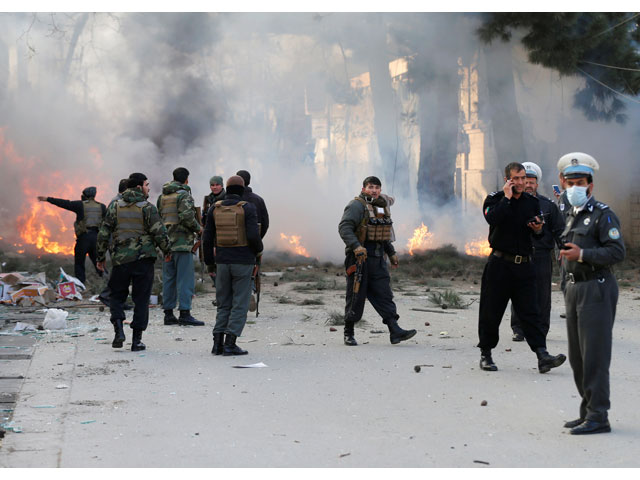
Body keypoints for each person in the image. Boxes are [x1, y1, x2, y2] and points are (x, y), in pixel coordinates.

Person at [557, 152, 625, 435]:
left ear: (590, 185)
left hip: (596, 289)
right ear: (563, 184)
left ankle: (599, 416)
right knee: (578, 357)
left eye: (581, 182)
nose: (575, 187)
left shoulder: (603, 214)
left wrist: (583, 253)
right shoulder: (570, 214)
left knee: (594, 355)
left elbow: (616, 251)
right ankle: (587, 410)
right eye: (570, 182)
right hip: (574, 288)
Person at [478, 162, 566, 373]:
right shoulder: (495, 199)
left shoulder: (531, 202)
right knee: (491, 311)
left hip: (525, 264)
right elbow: (493, 218)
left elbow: (538, 234)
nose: (521, 182)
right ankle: (486, 354)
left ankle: (542, 354)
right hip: (500, 264)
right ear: (507, 180)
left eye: (523, 178)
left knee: (531, 311)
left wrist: (537, 229)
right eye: (515, 178)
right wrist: (507, 199)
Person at [96, 173, 171, 351]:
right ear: (138, 187)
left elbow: (103, 234)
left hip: (121, 260)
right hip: (144, 260)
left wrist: (100, 258)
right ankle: (136, 341)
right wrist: (167, 251)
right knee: (141, 299)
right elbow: (159, 232)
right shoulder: (148, 208)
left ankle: (119, 330)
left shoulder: (114, 206)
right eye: (146, 185)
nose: (148, 188)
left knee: (116, 296)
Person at [338, 175, 416, 346]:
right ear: (364, 188)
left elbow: (383, 233)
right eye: (371, 187)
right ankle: (348, 333)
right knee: (356, 295)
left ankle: (394, 330)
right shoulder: (356, 206)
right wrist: (356, 247)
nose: (374, 190)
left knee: (384, 294)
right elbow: (344, 228)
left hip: (378, 258)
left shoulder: (381, 207)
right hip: (359, 258)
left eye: (377, 188)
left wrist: (392, 252)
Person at [202, 175, 263, 356]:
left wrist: (209, 263)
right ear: (242, 190)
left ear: (227, 189)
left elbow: (207, 238)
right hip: (243, 261)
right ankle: (230, 344)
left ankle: (217, 344)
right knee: (240, 304)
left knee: (223, 304)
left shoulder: (215, 208)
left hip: (222, 262)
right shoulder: (248, 208)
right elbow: (253, 236)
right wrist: (258, 250)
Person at [510, 162, 565, 341]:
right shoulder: (510, 203)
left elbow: (559, 230)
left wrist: (564, 250)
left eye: (532, 181)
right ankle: (519, 329)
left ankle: (540, 329)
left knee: (542, 294)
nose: (528, 184)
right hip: (518, 255)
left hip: (541, 255)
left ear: (537, 184)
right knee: (518, 292)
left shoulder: (548, 205)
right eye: (525, 180)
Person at [157, 167, 204, 326]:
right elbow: (186, 217)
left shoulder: (162, 197)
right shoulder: (184, 195)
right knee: (185, 279)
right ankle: (185, 313)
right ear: (186, 179)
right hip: (182, 243)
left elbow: (159, 218)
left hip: (166, 245)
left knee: (169, 279)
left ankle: (168, 314)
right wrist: (199, 228)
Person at [37, 187, 106, 284]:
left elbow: (65, 203)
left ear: (85, 196)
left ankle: (80, 284)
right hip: (96, 238)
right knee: (98, 262)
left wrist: (48, 199)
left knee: (79, 263)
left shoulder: (80, 205)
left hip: (84, 238)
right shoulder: (102, 207)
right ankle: (105, 282)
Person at [98, 178, 131, 308]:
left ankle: (117, 300)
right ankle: (107, 296)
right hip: (118, 244)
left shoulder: (119, 201)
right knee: (121, 273)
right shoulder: (116, 202)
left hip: (121, 243)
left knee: (122, 273)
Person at [236, 170, 269, 238]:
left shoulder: (230, 199)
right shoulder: (259, 200)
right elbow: (265, 223)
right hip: (252, 244)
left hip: (233, 243)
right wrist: (257, 240)